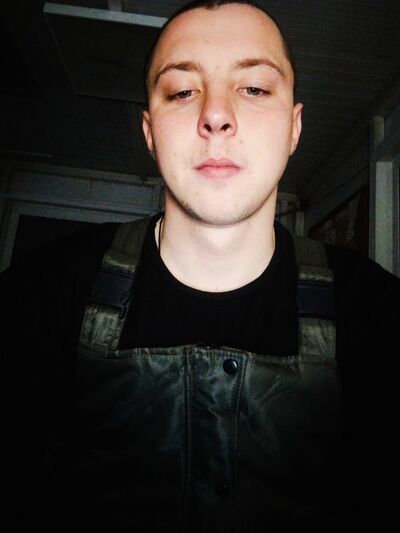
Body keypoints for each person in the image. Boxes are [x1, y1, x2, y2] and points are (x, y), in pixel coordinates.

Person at [1, 0, 398, 530]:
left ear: (294, 127)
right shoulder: (39, 294)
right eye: (182, 91)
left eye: (253, 88)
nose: (215, 115)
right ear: (150, 132)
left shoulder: (377, 313)